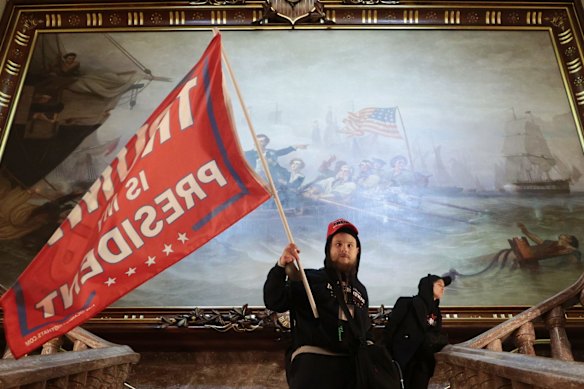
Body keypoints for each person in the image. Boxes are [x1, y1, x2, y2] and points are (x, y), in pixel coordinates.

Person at [263, 218, 372, 388]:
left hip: (352, 371)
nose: (344, 249)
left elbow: (365, 331)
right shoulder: (310, 280)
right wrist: (280, 266)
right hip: (315, 369)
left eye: (350, 245)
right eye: (338, 244)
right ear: (328, 249)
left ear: (357, 251)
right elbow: (274, 300)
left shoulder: (361, 291)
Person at [383, 274, 451, 389]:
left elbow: (436, 334)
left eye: (444, 286)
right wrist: (388, 356)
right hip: (400, 359)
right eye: (439, 285)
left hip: (423, 363)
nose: (442, 288)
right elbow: (390, 330)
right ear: (428, 286)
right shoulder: (406, 303)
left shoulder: (436, 313)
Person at [509, 223, 580, 267]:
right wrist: (526, 231)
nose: (564, 234)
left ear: (569, 240)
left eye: (566, 235)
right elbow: (538, 240)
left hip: (527, 256)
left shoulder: (568, 248)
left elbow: (574, 250)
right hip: (527, 253)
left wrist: (571, 248)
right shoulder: (553, 243)